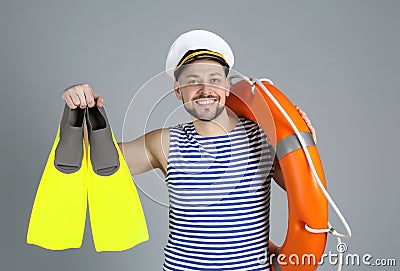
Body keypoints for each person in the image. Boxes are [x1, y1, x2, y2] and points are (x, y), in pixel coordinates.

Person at [62, 30, 317, 271]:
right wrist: (83, 108)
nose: (205, 90)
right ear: (178, 90)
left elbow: (305, 189)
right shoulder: (164, 143)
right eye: (193, 82)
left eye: (214, 80)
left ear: (227, 86)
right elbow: (94, 161)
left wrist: (303, 144)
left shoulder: (262, 138)